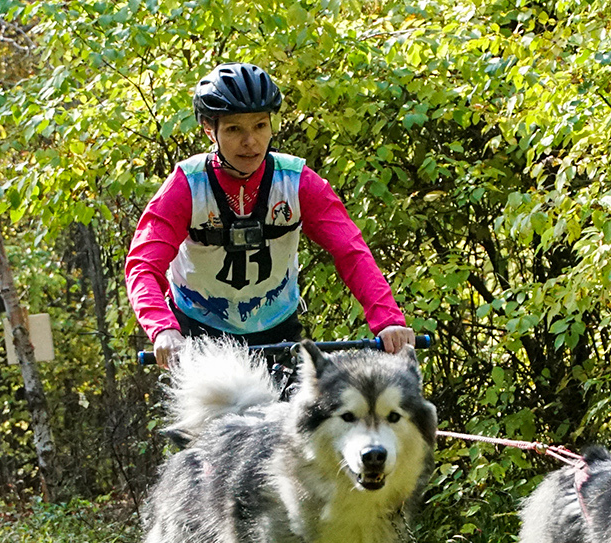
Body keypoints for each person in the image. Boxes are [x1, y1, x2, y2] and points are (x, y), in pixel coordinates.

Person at [125, 62, 416, 372]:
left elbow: (351, 251)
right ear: (210, 130)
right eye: (235, 128)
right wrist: (163, 329)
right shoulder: (186, 185)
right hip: (198, 336)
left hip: (279, 333)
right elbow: (143, 265)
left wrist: (388, 321)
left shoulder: (298, 181)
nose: (250, 141)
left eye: (260, 126)